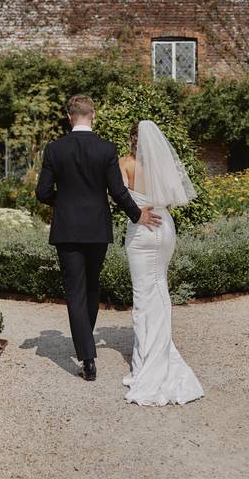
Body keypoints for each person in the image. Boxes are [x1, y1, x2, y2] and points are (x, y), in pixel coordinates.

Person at [35, 95, 161, 381]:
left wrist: (62, 201)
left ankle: (87, 356)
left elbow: (42, 192)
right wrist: (137, 214)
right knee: (92, 287)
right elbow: (118, 191)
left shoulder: (54, 149)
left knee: (75, 291)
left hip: (67, 229)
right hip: (96, 229)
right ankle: (86, 344)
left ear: (69, 116)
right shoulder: (106, 149)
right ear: (93, 114)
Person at [118, 120, 204, 405]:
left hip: (142, 229)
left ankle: (147, 362)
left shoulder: (125, 163)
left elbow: (119, 197)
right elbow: (174, 195)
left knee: (143, 294)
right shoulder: (162, 164)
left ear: (132, 140)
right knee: (161, 288)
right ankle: (161, 351)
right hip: (164, 225)